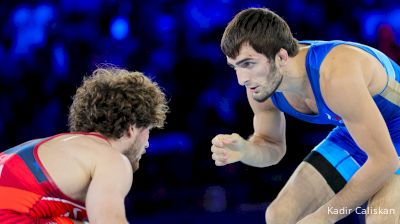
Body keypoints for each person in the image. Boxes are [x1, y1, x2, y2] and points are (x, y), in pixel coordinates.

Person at [211, 7, 400, 224]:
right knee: (279, 217)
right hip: (357, 132)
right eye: (235, 67)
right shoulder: (259, 87)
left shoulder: (335, 75)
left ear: (281, 56)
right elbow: (272, 145)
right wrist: (247, 150)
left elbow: (385, 161)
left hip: (393, 138)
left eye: (248, 64)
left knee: (381, 219)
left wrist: (323, 217)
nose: (241, 79)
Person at [0, 66, 169, 223]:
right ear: (131, 128)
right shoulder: (111, 159)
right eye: (148, 130)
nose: (147, 143)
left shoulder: (58, 147)